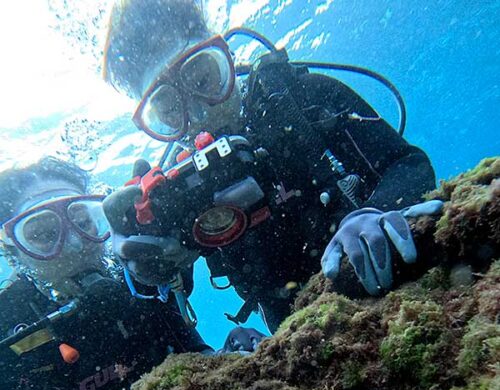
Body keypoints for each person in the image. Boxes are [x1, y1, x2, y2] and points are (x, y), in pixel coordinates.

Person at [101, 0, 439, 332]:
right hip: (293, 336)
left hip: (396, 286)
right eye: (172, 110)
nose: (200, 115)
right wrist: (140, 257)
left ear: (227, 58)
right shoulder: (177, 190)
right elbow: (167, 290)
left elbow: (407, 164)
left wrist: (374, 210)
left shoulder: (303, 100)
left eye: (204, 80)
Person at [0, 157, 214, 390]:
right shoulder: (8, 330)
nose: (73, 246)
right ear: (14, 251)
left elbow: (195, 353)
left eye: (84, 223)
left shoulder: (137, 278)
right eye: (42, 235)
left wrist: (228, 361)